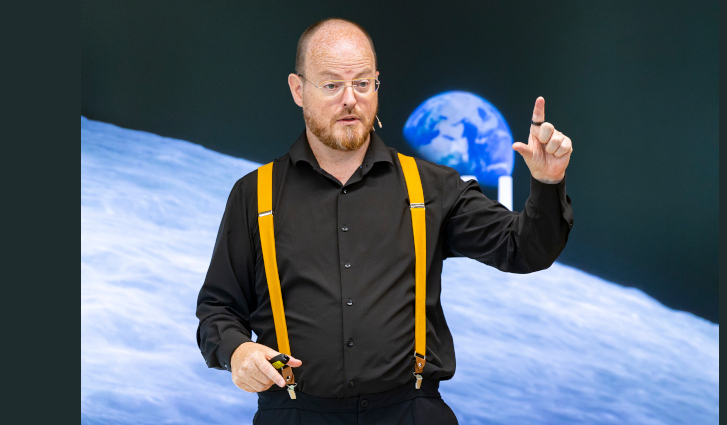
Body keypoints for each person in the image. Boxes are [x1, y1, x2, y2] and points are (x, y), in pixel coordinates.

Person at [196, 18, 574, 424]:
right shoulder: (254, 195)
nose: (350, 99)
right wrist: (237, 351)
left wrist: (547, 183)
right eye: (332, 85)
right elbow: (218, 309)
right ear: (298, 89)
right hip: (295, 413)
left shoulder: (432, 187)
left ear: (377, 84)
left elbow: (524, 249)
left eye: (362, 83)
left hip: (411, 412)